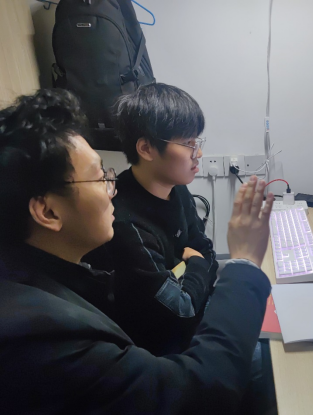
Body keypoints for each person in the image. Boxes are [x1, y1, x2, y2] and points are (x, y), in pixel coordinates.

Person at [0, 89, 275, 415]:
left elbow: (200, 251)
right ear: (48, 212)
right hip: (166, 353)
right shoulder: (36, 335)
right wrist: (244, 263)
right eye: (100, 178)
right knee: (263, 364)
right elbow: (200, 392)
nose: (113, 190)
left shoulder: (4, 259)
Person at [84, 83, 219, 356]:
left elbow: (205, 249)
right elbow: (180, 312)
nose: (198, 154)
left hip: (197, 315)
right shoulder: (125, 224)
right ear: (146, 148)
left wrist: (195, 267)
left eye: (197, 142)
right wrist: (196, 264)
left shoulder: (176, 188)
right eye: (188, 143)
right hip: (168, 350)